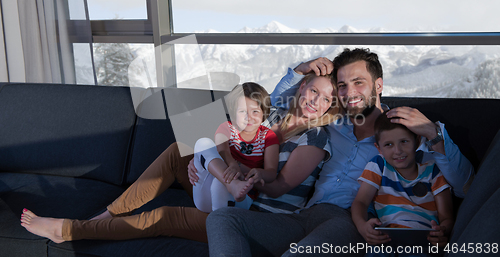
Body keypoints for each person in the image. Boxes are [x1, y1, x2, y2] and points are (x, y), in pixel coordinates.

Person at [206, 48, 474, 257]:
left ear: (378, 85)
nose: (349, 93)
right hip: (303, 215)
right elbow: (275, 108)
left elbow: (464, 186)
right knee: (221, 220)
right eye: (343, 86)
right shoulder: (333, 122)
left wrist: (434, 134)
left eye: (359, 82)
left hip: (349, 222)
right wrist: (300, 72)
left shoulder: (401, 135)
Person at [20, 73, 340, 245]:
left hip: (252, 216)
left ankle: (70, 230)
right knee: (181, 149)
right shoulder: (272, 118)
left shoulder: (315, 137)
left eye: (327, 99)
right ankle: (104, 216)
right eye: (314, 91)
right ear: (302, 89)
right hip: (227, 191)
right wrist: (205, 164)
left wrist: (228, 172)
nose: (317, 101)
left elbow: (280, 186)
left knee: (165, 218)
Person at [351, 111, 454, 255]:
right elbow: (360, 202)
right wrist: (362, 226)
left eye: (404, 142)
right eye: (388, 145)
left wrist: (442, 231)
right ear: (379, 148)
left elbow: (447, 217)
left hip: (422, 243)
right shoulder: (378, 165)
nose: (398, 151)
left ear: (417, 142)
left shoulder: (433, 171)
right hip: (386, 240)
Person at [192, 82, 280, 213]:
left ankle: (219, 220)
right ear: (233, 112)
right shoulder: (226, 128)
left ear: (264, 112)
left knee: (221, 182)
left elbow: (272, 173)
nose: (248, 117)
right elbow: (222, 151)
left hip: (241, 199)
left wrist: (260, 173)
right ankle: (232, 185)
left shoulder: (268, 136)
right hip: (205, 196)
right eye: (242, 111)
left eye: (255, 111)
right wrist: (233, 164)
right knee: (203, 143)